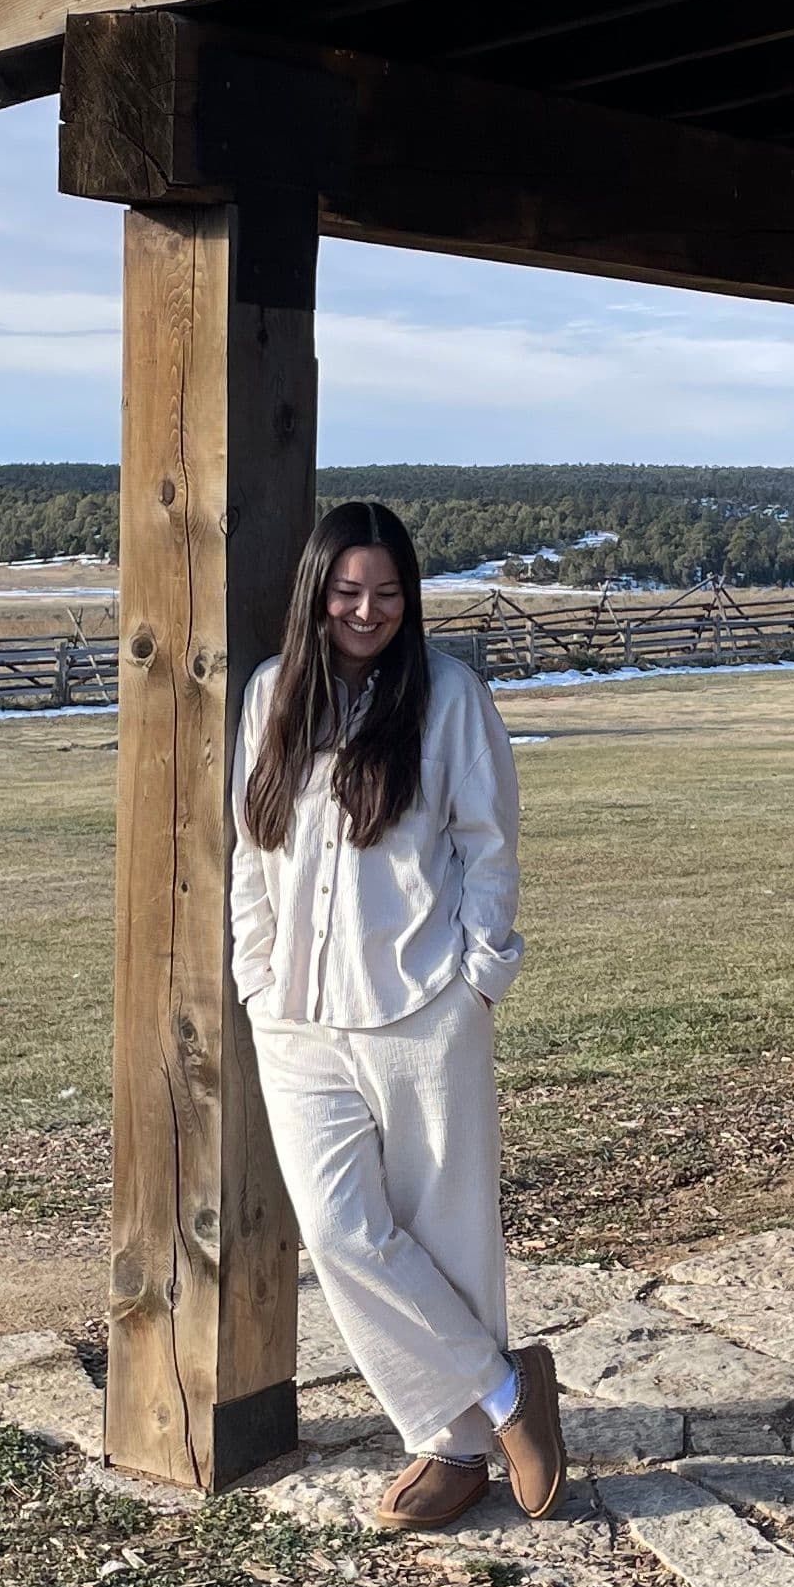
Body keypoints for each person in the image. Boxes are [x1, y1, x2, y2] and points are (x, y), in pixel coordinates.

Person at [231, 498, 571, 1534]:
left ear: (408, 597)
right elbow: (251, 849)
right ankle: (509, 1395)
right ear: (317, 596)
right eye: (347, 591)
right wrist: (254, 975)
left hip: (425, 1005)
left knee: (446, 1231)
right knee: (340, 1232)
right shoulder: (269, 698)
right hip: (296, 1015)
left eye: (385, 592)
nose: (366, 610)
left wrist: (479, 980)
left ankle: (454, 1446)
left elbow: (490, 845)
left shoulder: (449, 696)